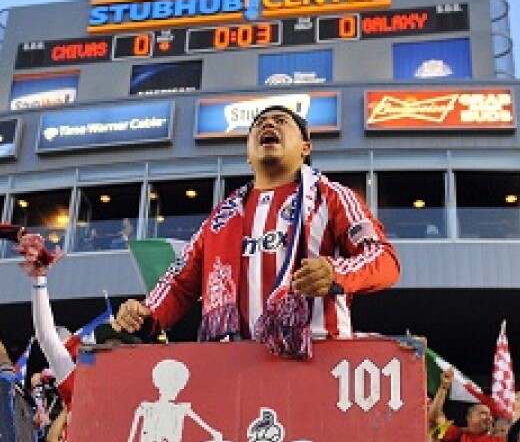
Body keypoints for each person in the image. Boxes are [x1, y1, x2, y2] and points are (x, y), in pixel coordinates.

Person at [112, 104, 400, 358]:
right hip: (234, 369)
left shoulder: (333, 196)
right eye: (259, 124)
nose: (269, 124)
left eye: (281, 121)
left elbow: (383, 258)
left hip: (318, 358)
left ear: (305, 148)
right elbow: (179, 283)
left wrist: (335, 273)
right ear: (248, 154)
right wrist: (144, 313)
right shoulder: (218, 220)